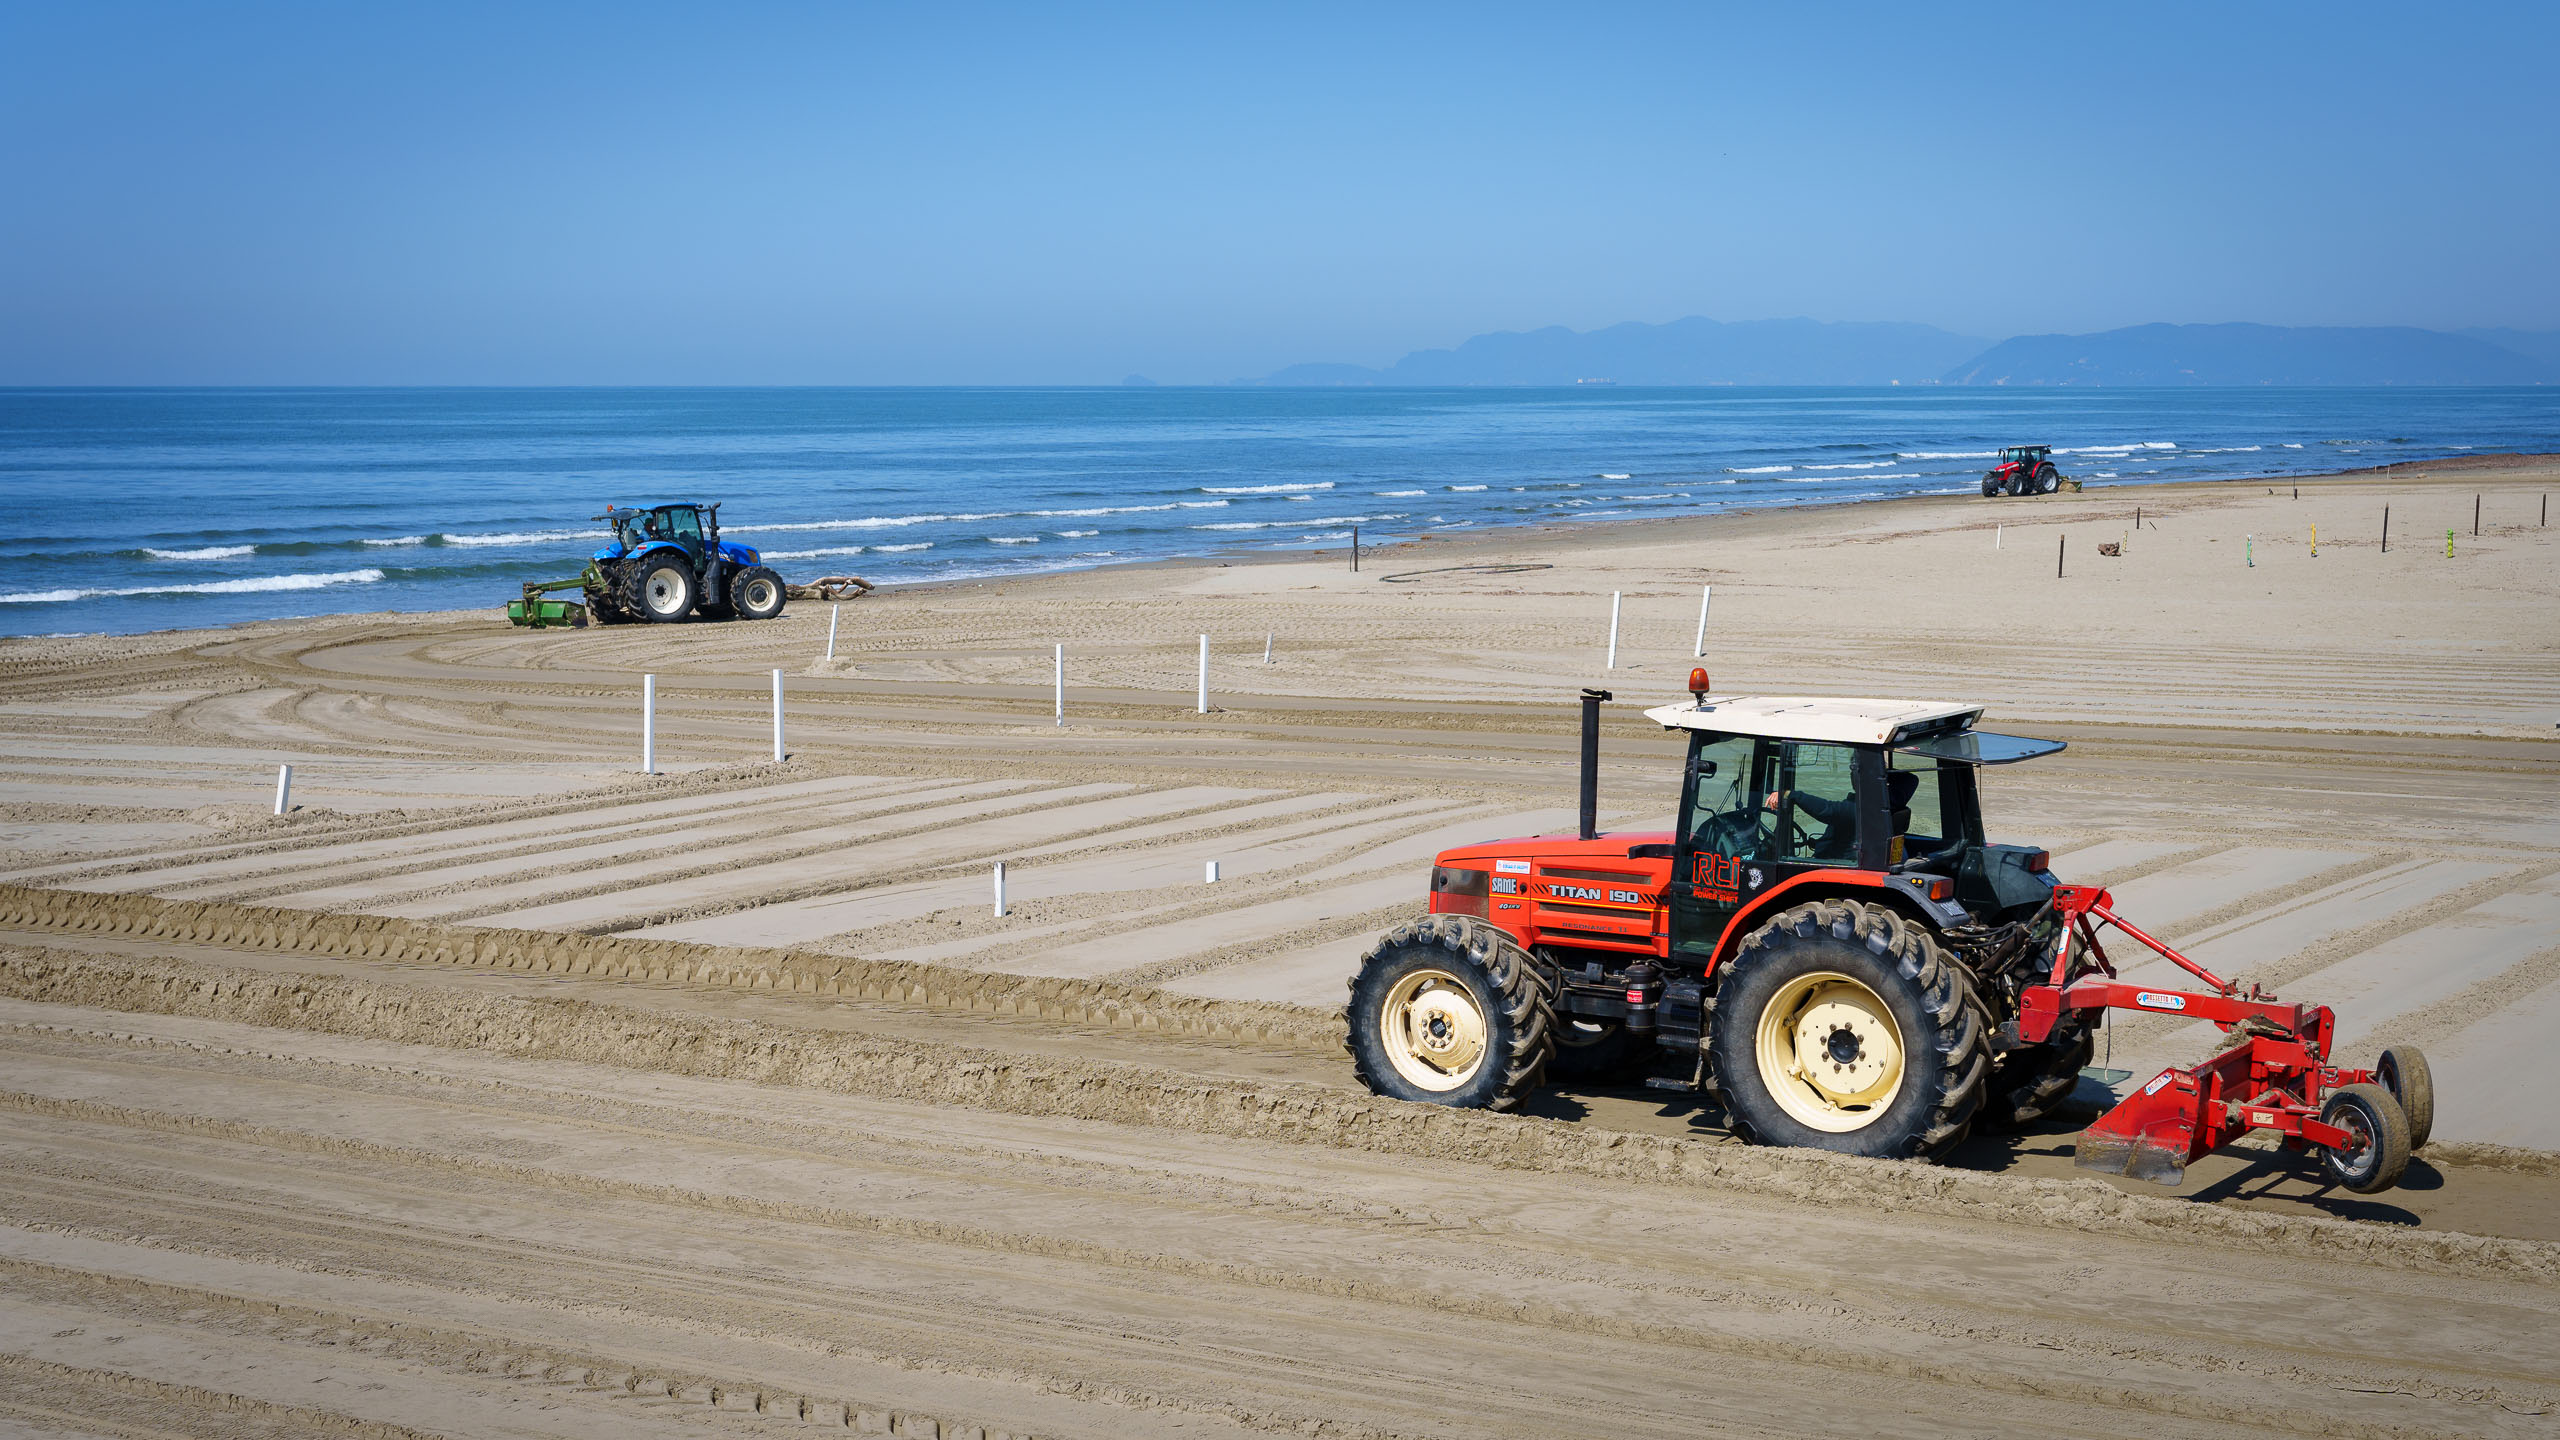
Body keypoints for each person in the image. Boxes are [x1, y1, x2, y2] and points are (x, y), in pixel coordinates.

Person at [1765, 769, 1919, 861]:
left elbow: (1826, 809)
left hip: (1835, 862)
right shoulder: (1884, 805)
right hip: (1843, 855)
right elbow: (1912, 780)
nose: (1852, 775)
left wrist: (1791, 794)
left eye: (1856, 771)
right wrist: (1878, 772)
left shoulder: (1858, 810)